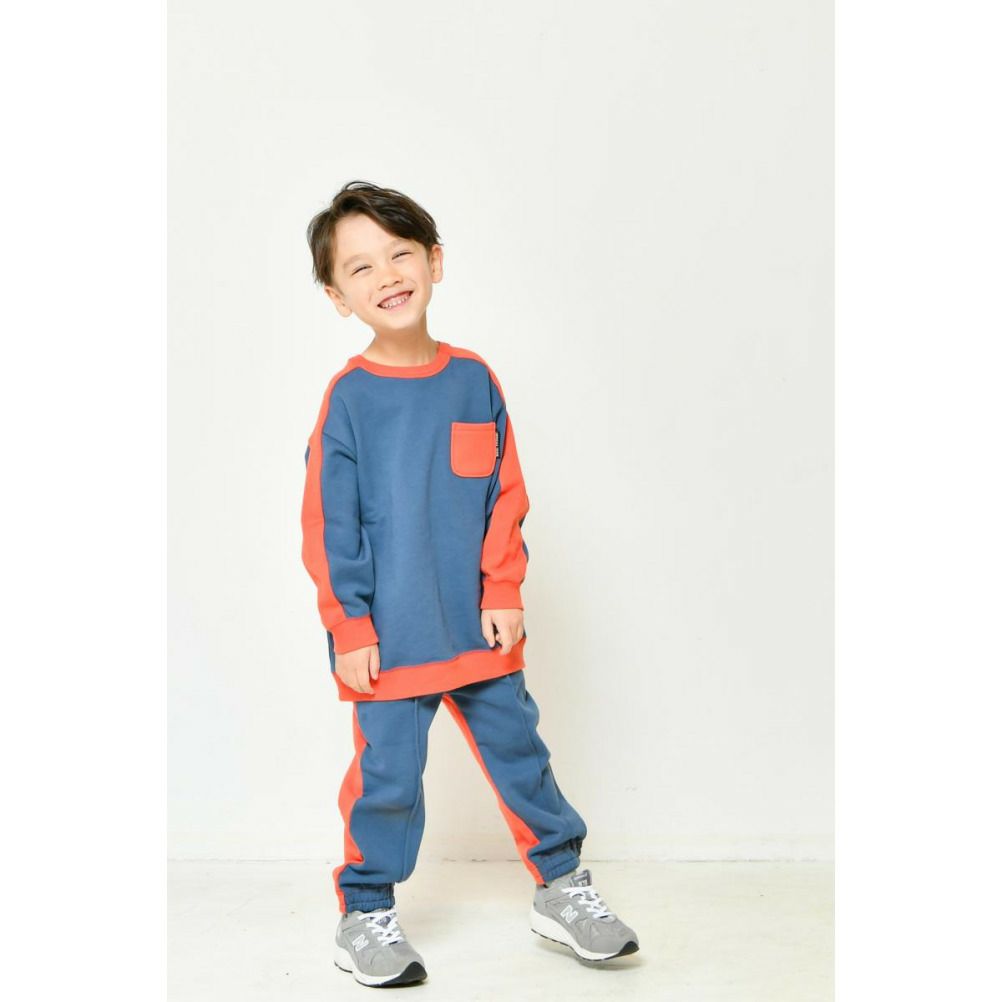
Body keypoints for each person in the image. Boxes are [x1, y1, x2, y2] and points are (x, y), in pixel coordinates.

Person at [300, 180, 640, 988]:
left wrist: (503, 590)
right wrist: (351, 628)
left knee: (522, 756)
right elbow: (328, 525)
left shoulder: (474, 380)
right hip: (389, 639)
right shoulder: (349, 400)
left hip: (478, 626)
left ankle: (561, 888)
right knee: (387, 781)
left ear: (435, 261)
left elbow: (503, 498)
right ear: (338, 297)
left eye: (400, 254)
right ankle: (365, 912)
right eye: (360, 267)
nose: (386, 275)